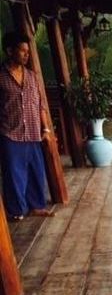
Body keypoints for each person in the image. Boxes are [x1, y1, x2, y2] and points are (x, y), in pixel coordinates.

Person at [0, 31, 55, 221]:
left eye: (27, 51)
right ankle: (16, 211)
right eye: (22, 50)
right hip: (10, 133)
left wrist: (46, 130)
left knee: (35, 171)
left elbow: (40, 105)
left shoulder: (32, 76)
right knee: (14, 175)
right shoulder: (1, 76)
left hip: (33, 132)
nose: (26, 54)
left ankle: (36, 206)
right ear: (9, 51)